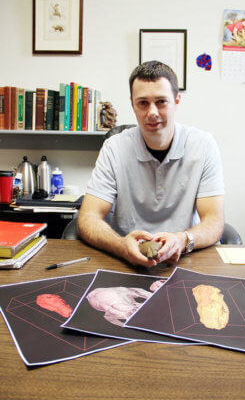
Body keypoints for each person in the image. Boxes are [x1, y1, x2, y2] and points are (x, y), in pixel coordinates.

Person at [78, 61, 225, 267]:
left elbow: (214, 221)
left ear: (176, 101)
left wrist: (182, 240)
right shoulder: (114, 147)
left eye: (161, 102)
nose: (152, 112)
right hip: (125, 262)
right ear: (132, 104)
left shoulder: (203, 145)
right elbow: (88, 218)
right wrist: (121, 246)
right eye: (143, 103)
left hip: (184, 261)